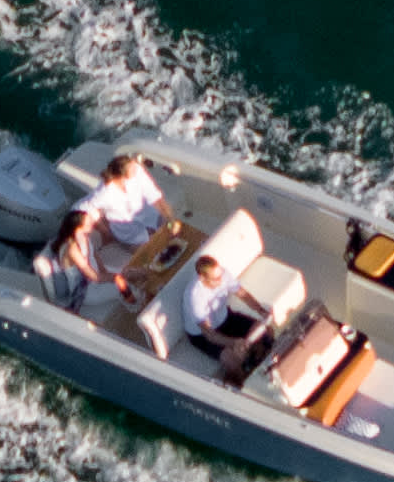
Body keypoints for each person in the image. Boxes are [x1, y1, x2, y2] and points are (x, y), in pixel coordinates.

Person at [41, 151, 172, 308]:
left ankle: (153, 291)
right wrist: (121, 276)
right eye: (90, 221)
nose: (95, 221)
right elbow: (95, 277)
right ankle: (141, 307)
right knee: (136, 280)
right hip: (88, 287)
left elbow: (99, 267)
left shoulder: (85, 240)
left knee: (144, 268)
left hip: (145, 228)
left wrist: (169, 218)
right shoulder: (73, 248)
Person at [169, 236, 276, 376]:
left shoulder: (223, 274)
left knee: (267, 330)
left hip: (226, 318)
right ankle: (244, 378)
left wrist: (261, 310)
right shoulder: (194, 296)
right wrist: (233, 343)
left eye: (221, 275)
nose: (221, 280)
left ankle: (267, 360)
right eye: (216, 279)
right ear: (202, 278)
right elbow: (210, 335)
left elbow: (242, 294)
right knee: (232, 361)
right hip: (202, 335)